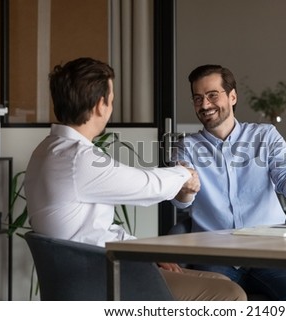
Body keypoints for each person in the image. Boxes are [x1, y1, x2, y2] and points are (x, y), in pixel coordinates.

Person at [24, 57, 246, 301]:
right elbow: (146, 185)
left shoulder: (48, 149)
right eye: (111, 99)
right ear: (101, 105)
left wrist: (149, 253)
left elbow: (94, 232)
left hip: (91, 270)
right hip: (100, 279)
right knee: (230, 294)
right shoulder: (77, 158)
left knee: (220, 281)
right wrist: (186, 175)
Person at [171, 64, 286, 301]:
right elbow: (181, 202)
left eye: (212, 95)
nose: (205, 105)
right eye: (198, 98)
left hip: (270, 252)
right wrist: (185, 192)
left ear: (232, 96)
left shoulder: (265, 135)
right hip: (215, 255)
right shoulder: (185, 147)